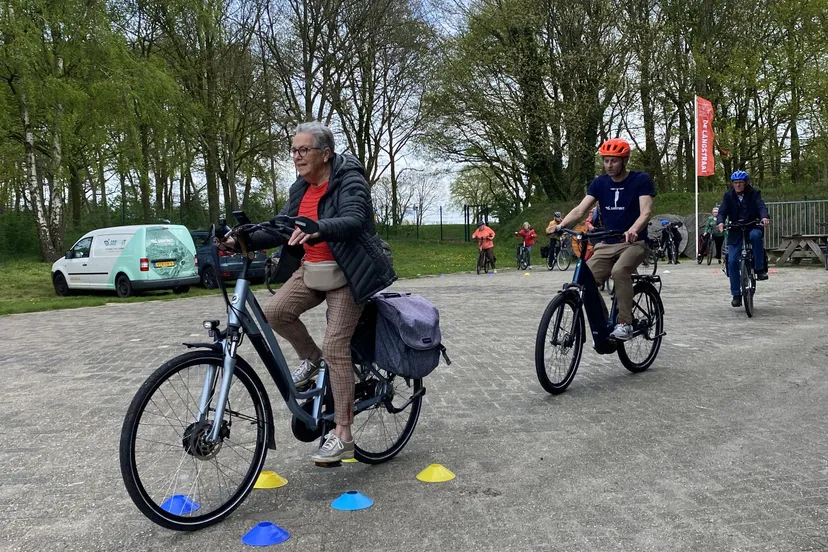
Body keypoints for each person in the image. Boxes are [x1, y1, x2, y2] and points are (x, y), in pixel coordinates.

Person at [220, 121, 396, 463]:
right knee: (276, 312)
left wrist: (319, 228)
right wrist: (241, 239)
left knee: (336, 347)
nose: (297, 156)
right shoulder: (300, 188)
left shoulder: (349, 179)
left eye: (304, 150)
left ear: (325, 154)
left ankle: (343, 435)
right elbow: (283, 228)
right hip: (313, 269)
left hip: (348, 273)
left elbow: (354, 220)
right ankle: (312, 359)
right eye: (294, 150)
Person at [547, 138, 654, 341]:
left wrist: (633, 229)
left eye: (614, 160)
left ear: (625, 161)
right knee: (584, 281)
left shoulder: (640, 180)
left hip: (634, 242)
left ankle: (625, 323)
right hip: (607, 243)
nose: (609, 165)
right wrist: (561, 226)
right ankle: (605, 322)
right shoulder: (600, 183)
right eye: (606, 161)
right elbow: (580, 210)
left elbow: (646, 212)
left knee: (619, 271)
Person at [716, 170, 770, 307]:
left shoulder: (754, 193)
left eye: (740, 182)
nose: (738, 185)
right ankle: (736, 294)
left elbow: (761, 206)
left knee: (755, 236)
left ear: (746, 183)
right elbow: (722, 211)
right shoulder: (728, 196)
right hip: (735, 228)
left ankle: (759, 269)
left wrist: (764, 217)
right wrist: (720, 222)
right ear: (732, 184)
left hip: (752, 225)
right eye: (735, 183)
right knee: (732, 260)